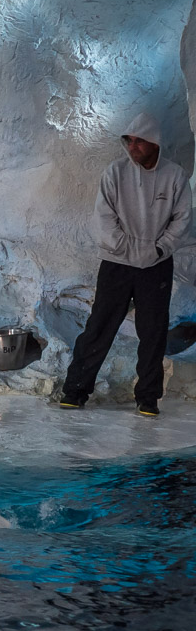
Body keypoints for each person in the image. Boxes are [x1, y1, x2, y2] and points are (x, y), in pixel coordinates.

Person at [60, 112, 192, 416]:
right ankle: (75, 390)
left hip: (157, 265)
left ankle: (148, 398)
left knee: (153, 332)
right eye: (129, 141)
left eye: (139, 141)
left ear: (155, 143)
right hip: (116, 263)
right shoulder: (115, 173)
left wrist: (159, 249)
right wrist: (126, 249)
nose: (133, 147)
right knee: (99, 327)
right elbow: (103, 218)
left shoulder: (175, 176)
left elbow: (182, 220)